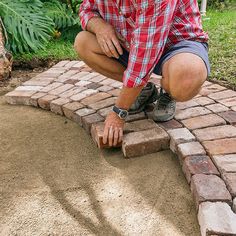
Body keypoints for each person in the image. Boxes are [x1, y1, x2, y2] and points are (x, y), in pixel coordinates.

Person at [74, 0, 210, 147]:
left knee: (186, 78)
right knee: (83, 42)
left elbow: (145, 52)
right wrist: (99, 26)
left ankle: (169, 92)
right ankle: (143, 90)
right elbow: (86, 9)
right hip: (130, 42)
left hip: (176, 43)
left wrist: (119, 112)